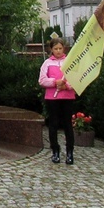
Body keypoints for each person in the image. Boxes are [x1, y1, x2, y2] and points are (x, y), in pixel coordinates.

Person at [38, 37, 76, 165]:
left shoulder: (69, 62)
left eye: (60, 48)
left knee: (67, 124)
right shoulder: (47, 63)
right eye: (55, 49)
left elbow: (76, 79)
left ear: (63, 48)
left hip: (67, 97)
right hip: (52, 98)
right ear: (51, 49)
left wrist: (67, 86)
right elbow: (42, 80)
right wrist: (55, 82)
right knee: (53, 124)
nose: (58, 51)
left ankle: (70, 151)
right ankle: (55, 150)